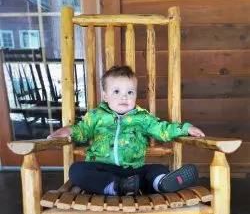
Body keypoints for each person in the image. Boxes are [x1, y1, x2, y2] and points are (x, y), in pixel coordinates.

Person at [48, 65, 205, 196]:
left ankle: (162, 182)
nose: (124, 97)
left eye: (130, 92)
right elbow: (83, 130)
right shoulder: (96, 116)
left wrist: (185, 129)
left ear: (135, 95)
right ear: (105, 96)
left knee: (156, 169)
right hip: (102, 169)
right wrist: (69, 131)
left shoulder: (142, 118)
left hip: (134, 171)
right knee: (77, 170)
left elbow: (162, 129)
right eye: (116, 92)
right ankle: (115, 187)